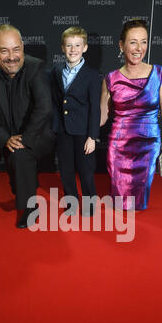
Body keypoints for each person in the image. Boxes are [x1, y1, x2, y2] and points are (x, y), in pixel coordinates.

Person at [0, 24, 54, 228]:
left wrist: (25, 139)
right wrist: (5, 139)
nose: (12, 57)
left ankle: (28, 208)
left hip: (38, 136)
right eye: (4, 50)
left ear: (22, 46)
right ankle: (24, 187)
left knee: (20, 157)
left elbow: (44, 108)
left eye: (15, 49)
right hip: (7, 139)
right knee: (16, 177)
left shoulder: (35, 67)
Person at [100, 19, 162, 210]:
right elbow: (101, 117)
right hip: (118, 146)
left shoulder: (159, 74)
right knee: (118, 204)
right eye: (133, 42)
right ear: (121, 45)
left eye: (144, 41)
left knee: (138, 204)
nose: (139, 48)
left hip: (148, 145)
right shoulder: (111, 78)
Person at [50, 26, 101, 216]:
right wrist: (55, 126)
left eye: (77, 45)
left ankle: (89, 205)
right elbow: (56, 102)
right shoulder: (56, 71)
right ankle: (71, 203)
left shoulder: (93, 75)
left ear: (85, 48)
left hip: (83, 133)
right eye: (69, 46)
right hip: (63, 131)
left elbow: (95, 108)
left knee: (86, 171)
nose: (73, 50)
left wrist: (92, 136)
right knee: (66, 171)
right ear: (63, 48)